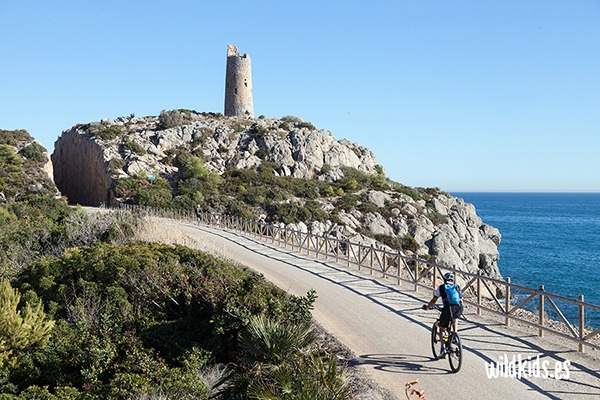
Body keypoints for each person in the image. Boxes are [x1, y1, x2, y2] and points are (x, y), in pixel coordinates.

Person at [423, 272, 463, 358]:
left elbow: (434, 300)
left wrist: (427, 307)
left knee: (442, 329)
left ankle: (443, 348)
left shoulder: (441, 288)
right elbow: (460, 299)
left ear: (444, 280)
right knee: (454, 318)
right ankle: (455, 334)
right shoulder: (457, 287)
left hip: (447, 309)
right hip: (458, 308)